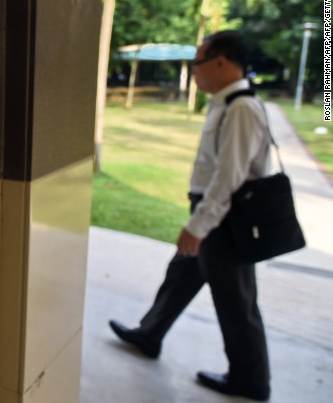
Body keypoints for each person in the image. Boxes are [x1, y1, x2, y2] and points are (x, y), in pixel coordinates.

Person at [108, 31, 272, 401]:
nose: (194, 72)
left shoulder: (242, 107)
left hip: (225, 221)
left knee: (236, 301)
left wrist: (198, 225)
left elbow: (229, 176)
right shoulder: (223, 102)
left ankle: (250, 380)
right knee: (181, 274)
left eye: (198, 63)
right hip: (214, 214)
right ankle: (150, 334)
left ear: (221, 62)